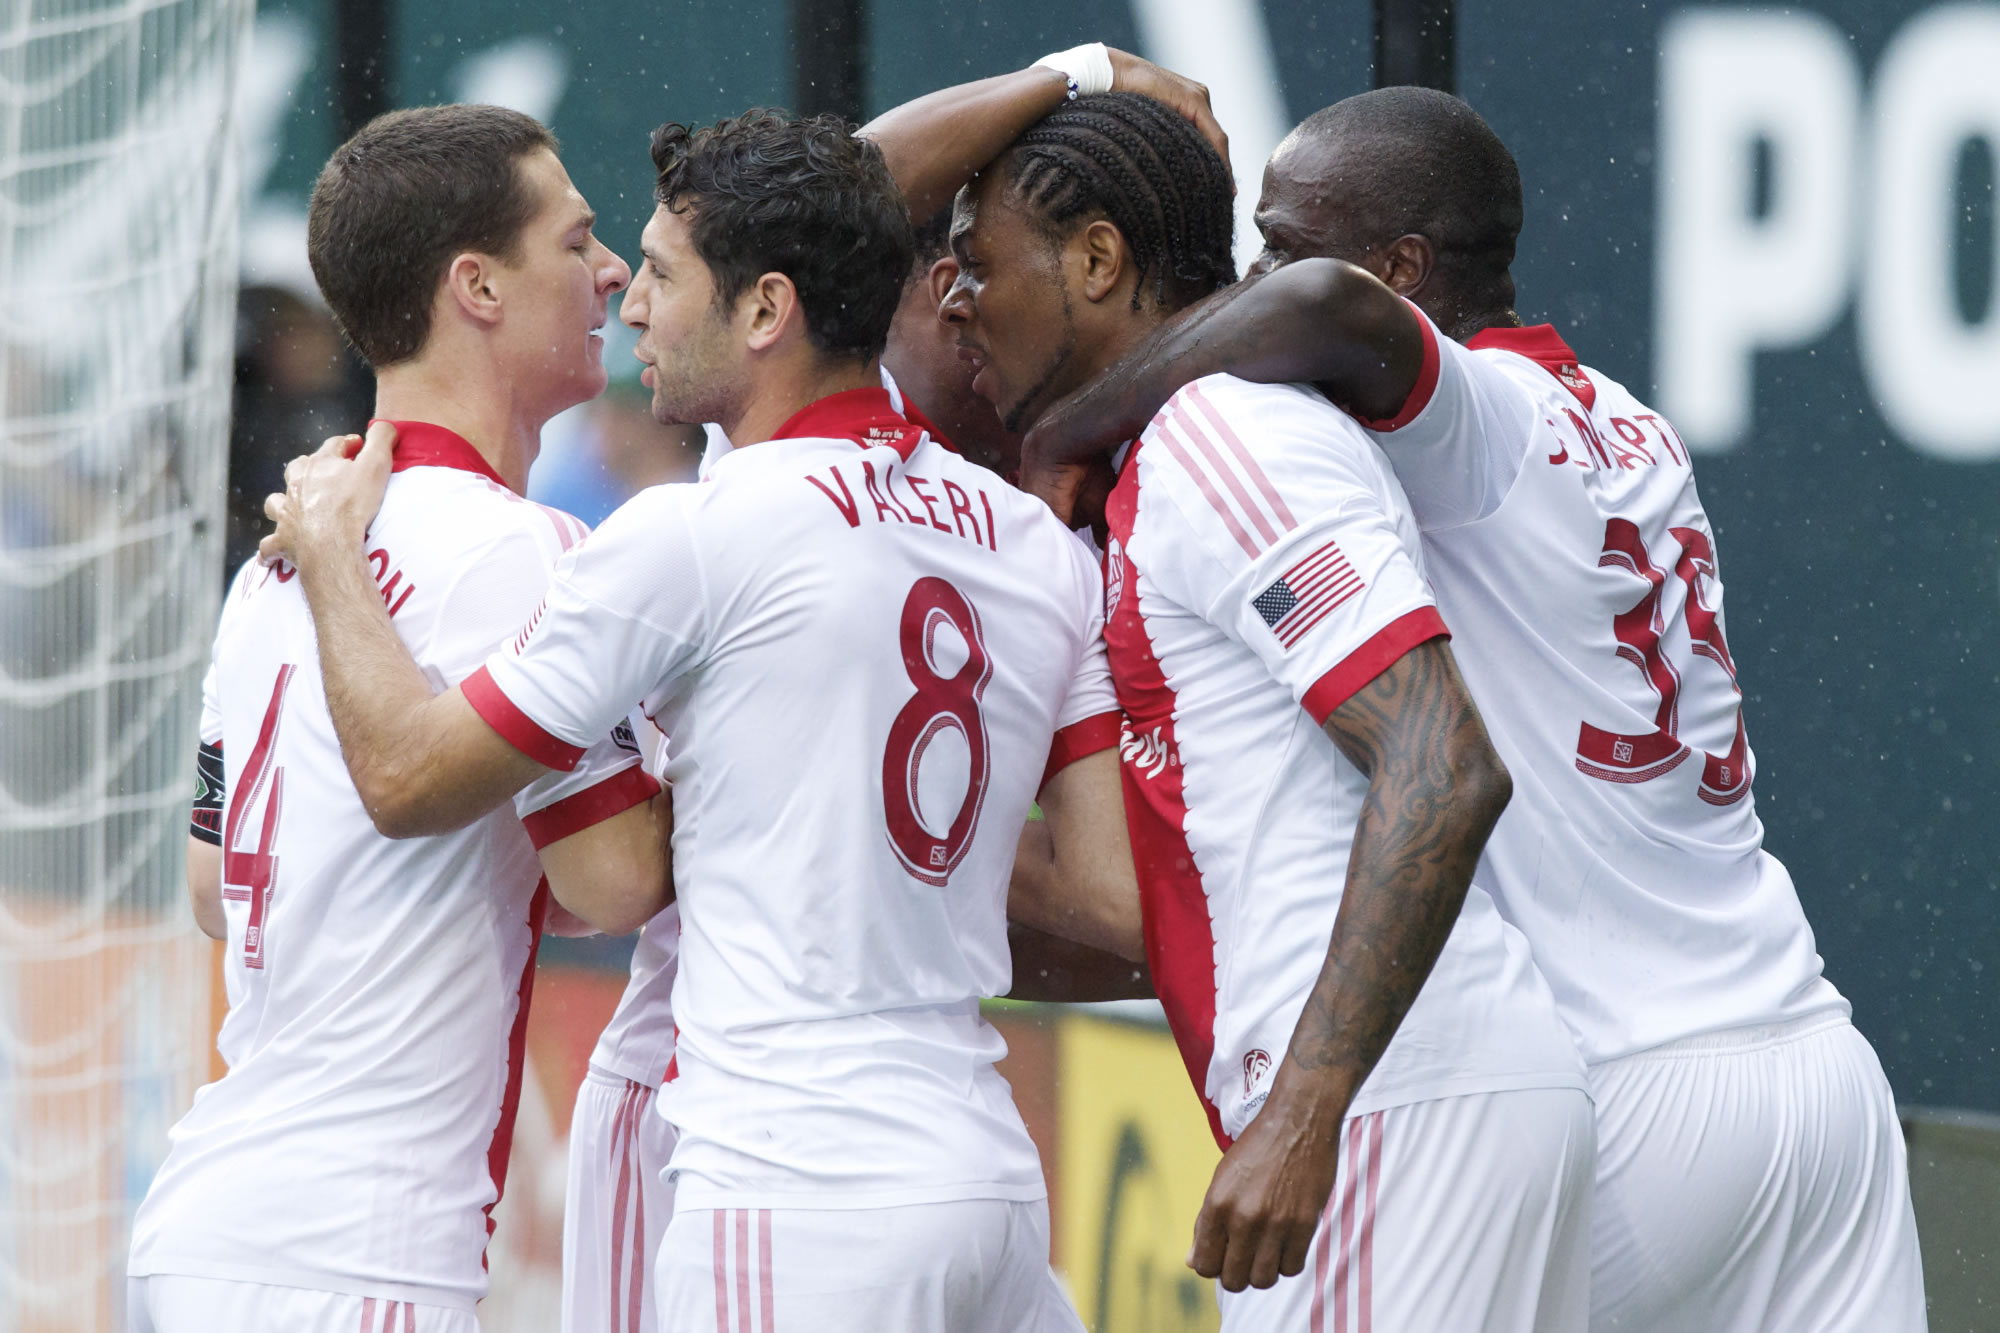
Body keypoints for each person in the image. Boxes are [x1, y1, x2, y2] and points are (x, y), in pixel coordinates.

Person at [1023, 86, 1927, 1333]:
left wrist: (1069, 432)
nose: (1251, 279)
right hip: (1812, 1074)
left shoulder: (1476, 416)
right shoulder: (1626, 421)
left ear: (1402, 271)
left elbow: (1322, 311)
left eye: (1279, 244)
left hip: (1626, 1079)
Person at [257, 107, 1138, 1333]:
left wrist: (330, 553)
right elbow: (1110, 898)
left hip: (782, 1178)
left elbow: (408, 781)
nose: (629, 307)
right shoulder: (1040, 550)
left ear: (766, 310)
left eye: (662, 276)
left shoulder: (690, 537)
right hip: (982, 1171)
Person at [898, 79, 1593, 1330]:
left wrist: (1300, 1116)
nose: (960, 300)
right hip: (1407, 1100)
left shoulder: (1224, 439)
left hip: (1395, 1110)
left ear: (1098, 260)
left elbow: (1443, 760)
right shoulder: (1160, 459)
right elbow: (1146, 906)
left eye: (980, 263)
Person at [126, 105, 671, 1333]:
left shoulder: (279, 555)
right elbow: (616, 875)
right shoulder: (522, 550)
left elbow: (214, 883)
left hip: (206, 1222)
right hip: (357, 1250)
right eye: (575, 241)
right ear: (474, 285)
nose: (612, 273)